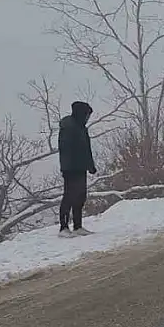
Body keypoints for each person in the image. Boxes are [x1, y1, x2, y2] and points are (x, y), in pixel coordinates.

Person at [58, 101, 97, 237]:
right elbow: (66, 150)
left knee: (80, 196)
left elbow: (86, 149)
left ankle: (77, 226)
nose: (87, 118)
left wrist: (90, 165)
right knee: (69, 196)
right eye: (87, 115)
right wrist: (67, 167)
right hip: (70, 168)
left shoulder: (82, 128)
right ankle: (63, 227)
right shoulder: (68, 127)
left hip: (81, 167)